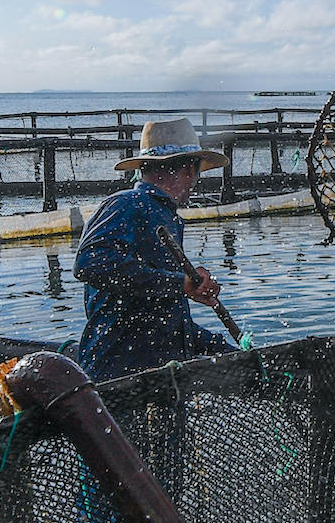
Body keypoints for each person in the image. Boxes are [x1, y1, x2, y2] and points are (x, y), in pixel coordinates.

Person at [72, 118, 234, 381]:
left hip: (160, 372)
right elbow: (89, 263)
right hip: (117, 374)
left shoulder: (168, 217)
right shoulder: (127, 203)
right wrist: (180, 283)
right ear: (186, 168)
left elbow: (164, 316)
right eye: (196, 171)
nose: (195, 180)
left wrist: (226, 351)